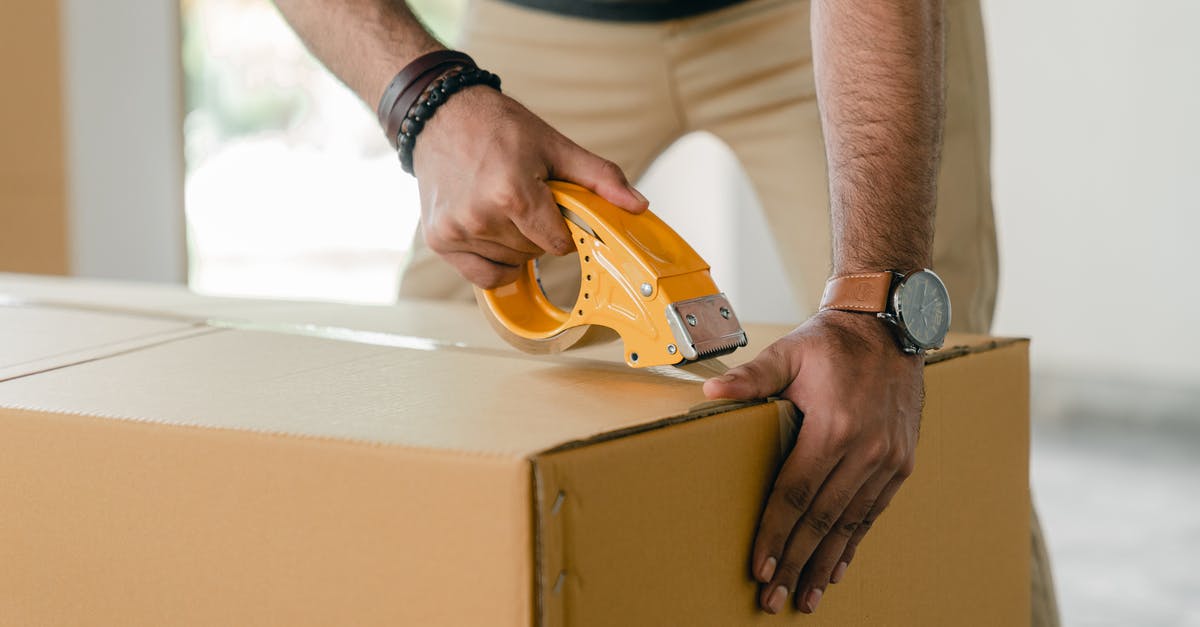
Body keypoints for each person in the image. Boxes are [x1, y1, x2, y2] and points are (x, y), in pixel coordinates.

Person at [275, 0, 1057, 622]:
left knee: (930, 397)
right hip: (546, 19)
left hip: (821, 19)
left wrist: (876, 307)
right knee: (445, 375)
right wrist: (430, 99)